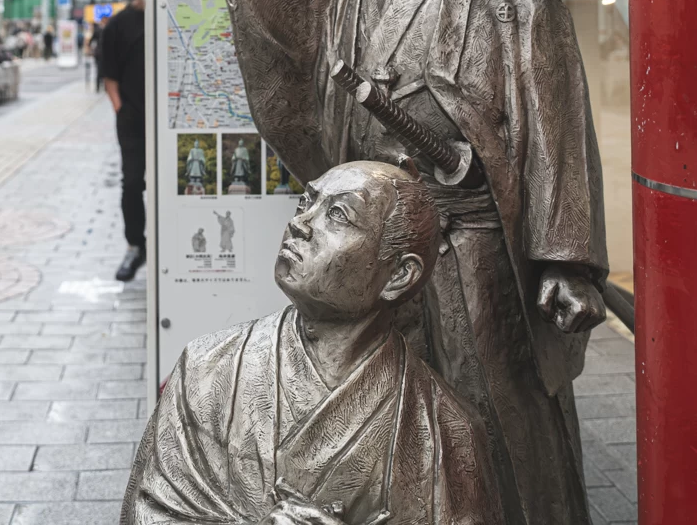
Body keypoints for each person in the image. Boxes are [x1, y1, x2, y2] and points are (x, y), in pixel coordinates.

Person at [187, 0, 606, 525]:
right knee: (384, 415)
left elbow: (559, 138)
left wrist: (565, 260)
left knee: (493, 415)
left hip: (469, 251)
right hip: (366, 250)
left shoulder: (517, 0)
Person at [123, 162, 503, 525]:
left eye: (337, 214)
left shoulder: (446, 429)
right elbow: (145, 512)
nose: (299, 223)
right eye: (306, 203)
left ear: (400, 275)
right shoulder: (206, 368)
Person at [101, 0, 146, 281]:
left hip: (169, 122)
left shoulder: (170, 16)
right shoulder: (117, 25)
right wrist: (122, 109)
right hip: (132, 118)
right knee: (132, 183)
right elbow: (109, 77)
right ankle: (136, 246)